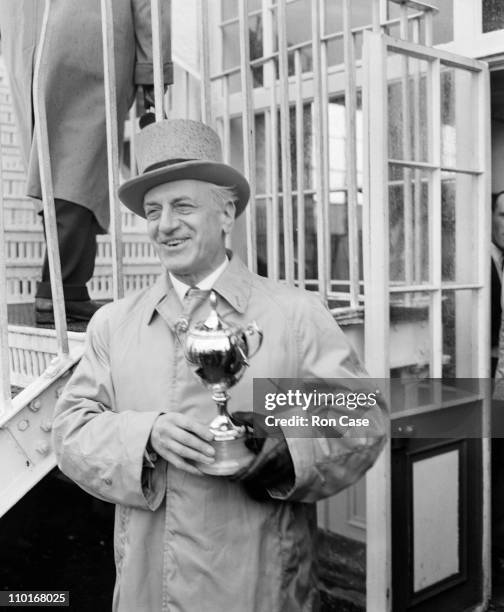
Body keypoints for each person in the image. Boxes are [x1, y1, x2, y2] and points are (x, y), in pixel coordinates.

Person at [52, 119, 387, 611]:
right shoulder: (113, 323)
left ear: (227, 212)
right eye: (152, 211)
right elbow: (68, 430)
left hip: (261, 587)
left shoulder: (295, 314)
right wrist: (144, 436)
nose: (165, 224)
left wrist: (289, 445)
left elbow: (364, 417)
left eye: (182, 205)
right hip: (149, 588)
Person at [0, 0, 172, 323]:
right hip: (90, 32)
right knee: (81, 160)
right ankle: (63, 289)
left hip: (25, 36)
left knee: (54, 161)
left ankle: (63, 287)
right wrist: (154, 72)